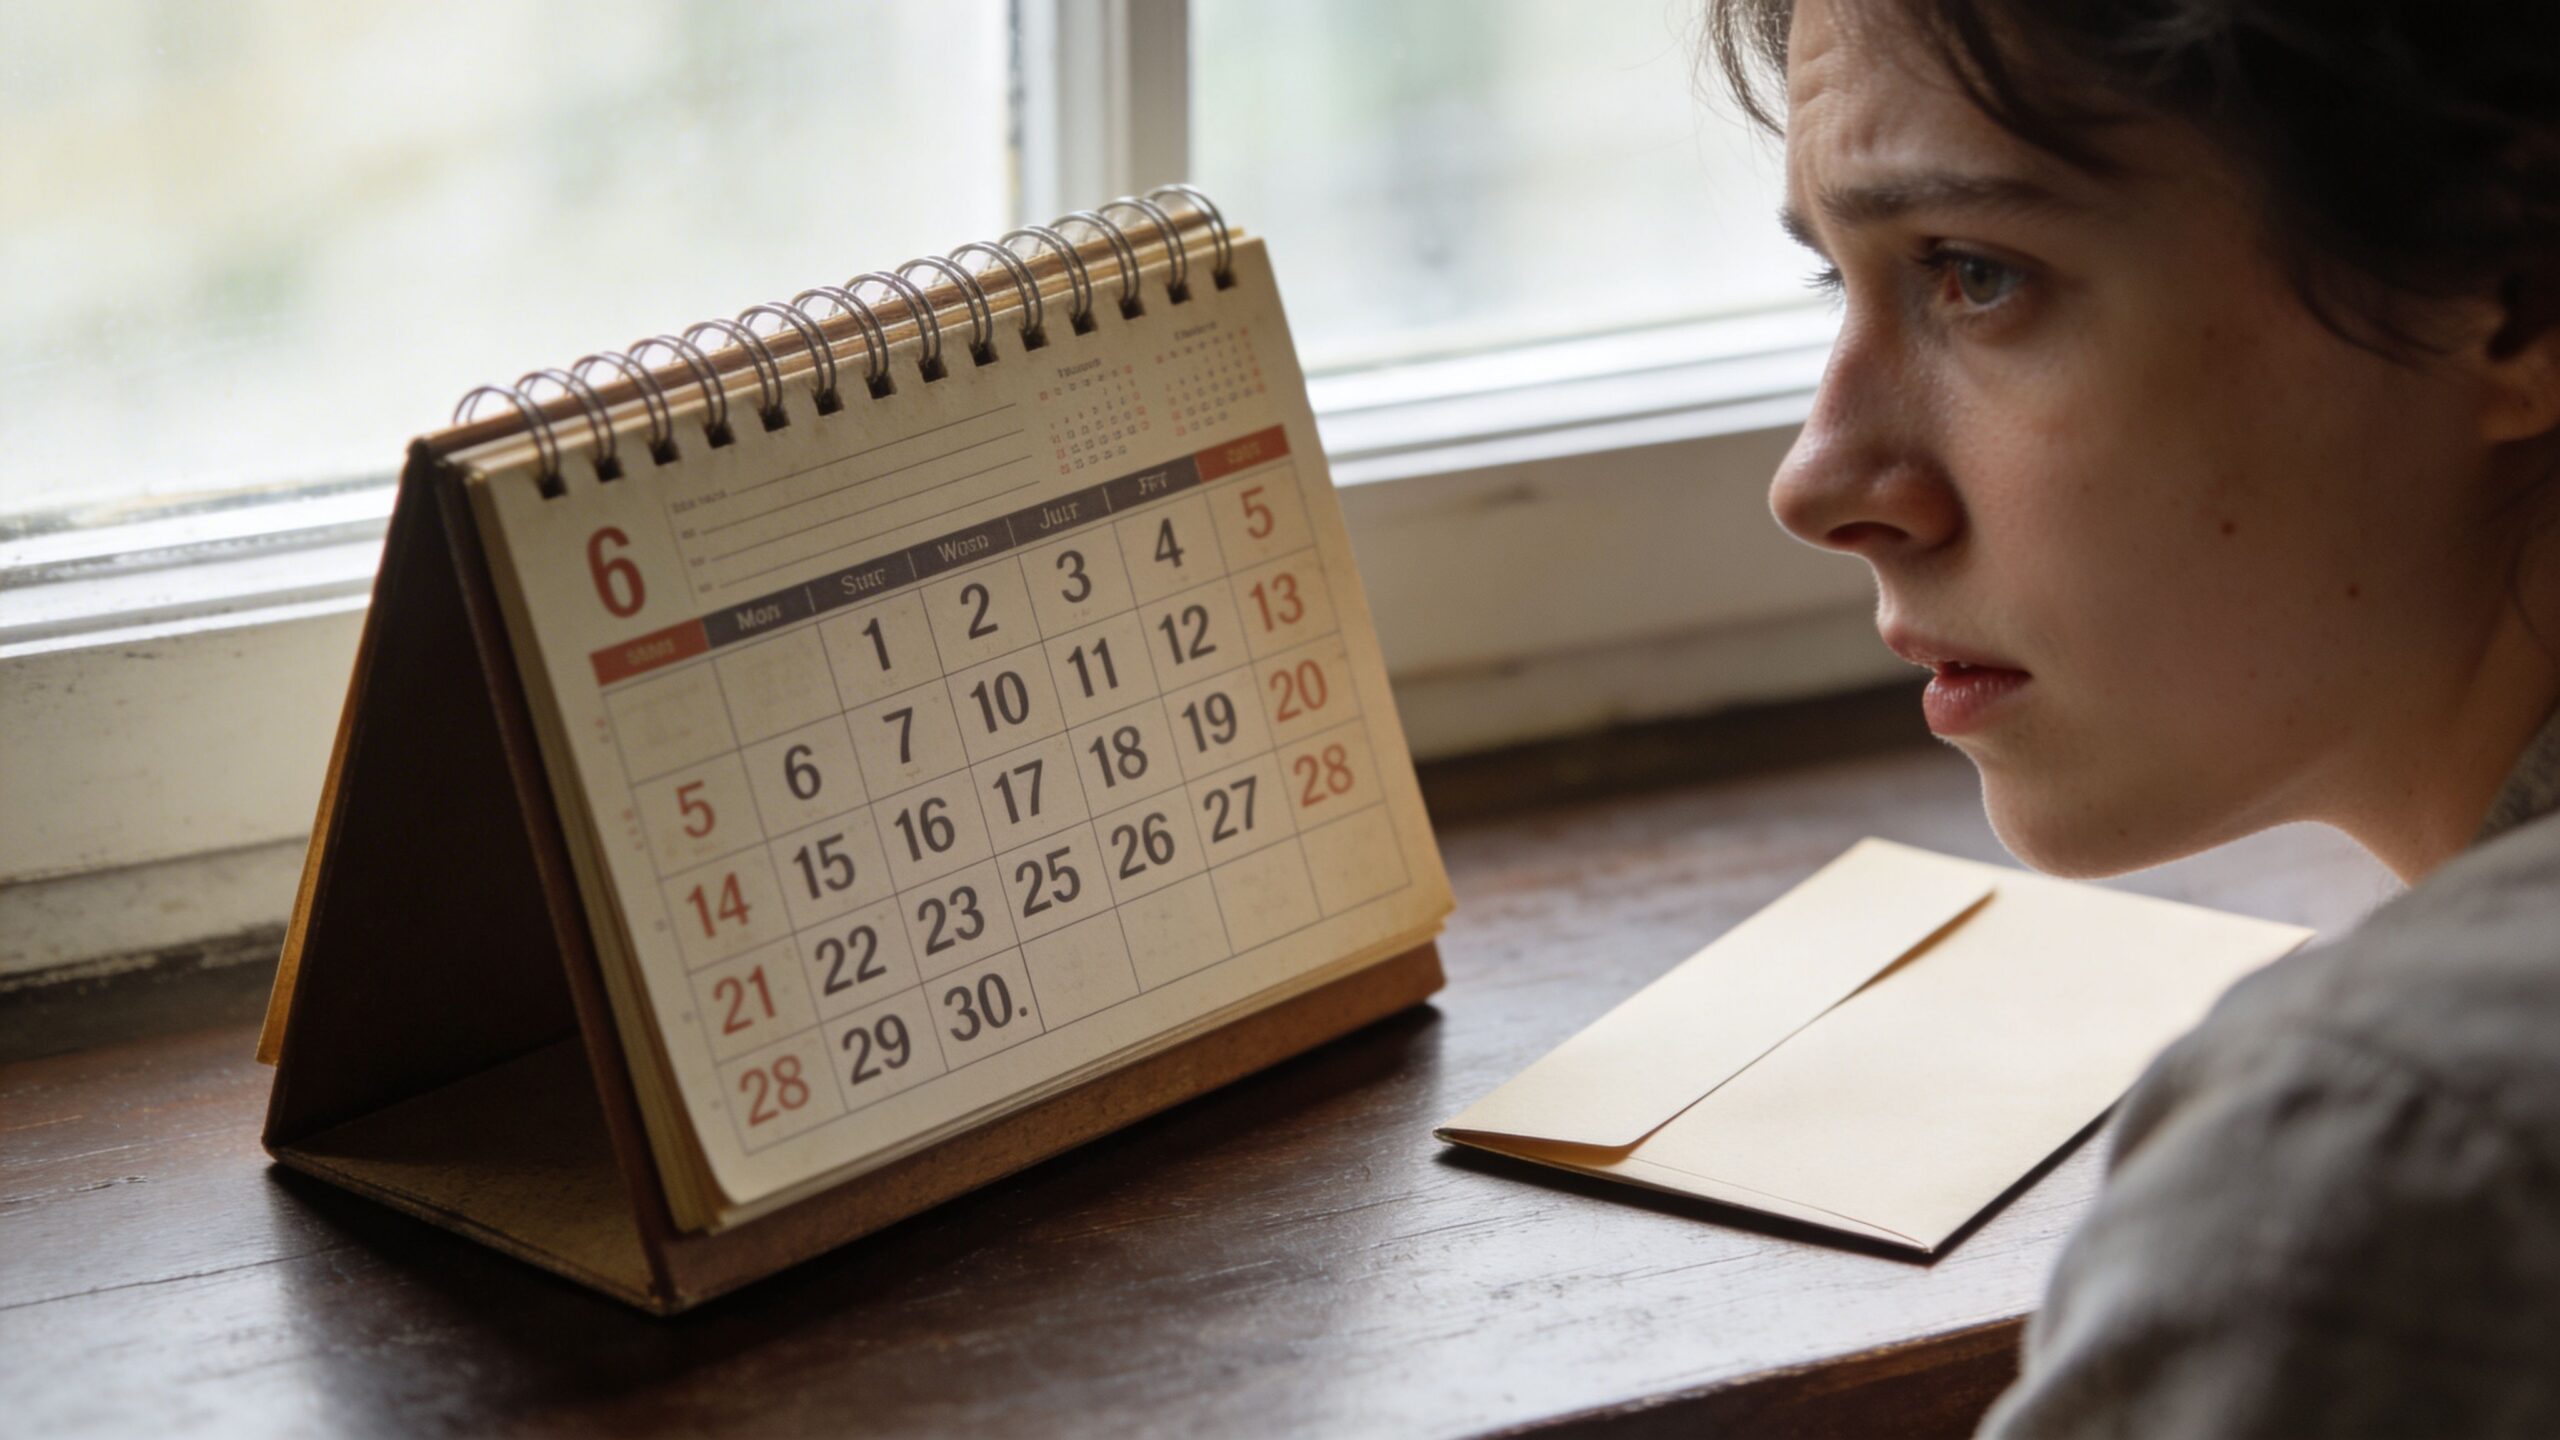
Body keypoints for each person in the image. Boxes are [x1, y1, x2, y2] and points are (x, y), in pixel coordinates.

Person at [1703, 0, 2560, 1432]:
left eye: (1979, 274)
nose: (1819, 480)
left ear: (2516, 293)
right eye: (1833, 283)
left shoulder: (2401, 1157)